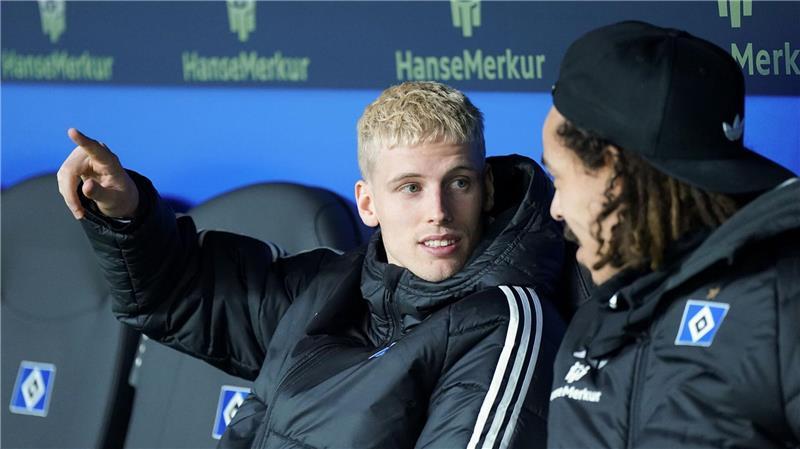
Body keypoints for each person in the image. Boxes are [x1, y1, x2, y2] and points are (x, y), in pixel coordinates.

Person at [57, 81, 566, 448]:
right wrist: (124, 212)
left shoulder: (506, 321)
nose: (438, 211)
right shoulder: (334, 285)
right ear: (368, 204)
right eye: (410, 187)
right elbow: (180, 293)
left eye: (459, 182)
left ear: (487, 189)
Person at [541, 21, 800, 448]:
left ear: (614, 174)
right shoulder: (597, 315)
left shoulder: (783, 303)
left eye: (560, 177)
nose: (556, 208)